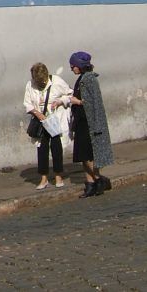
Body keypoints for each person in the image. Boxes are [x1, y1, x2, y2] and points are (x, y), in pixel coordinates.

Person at [55, 51, 114, 198]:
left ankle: (98, 180)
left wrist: (77, 101)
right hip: (81, 121)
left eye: (73, 65)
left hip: (89, 122)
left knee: (88, 155)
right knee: (83, 155)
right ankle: (90, 184)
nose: (71, 68)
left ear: (80, 65)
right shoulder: (82, 78)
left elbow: (94, 102)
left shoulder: (89, 79)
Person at [23, 62, 72, 190]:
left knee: (57, 148)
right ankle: (43, 178)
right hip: (40, 121)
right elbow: (27, 104)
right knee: (42, 149)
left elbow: (70, 94)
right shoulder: (30, 85)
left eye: (42, 81)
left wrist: (60, 101)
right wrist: (36, 112)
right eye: (38, 82)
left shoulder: (56, 81)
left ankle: (58, 176)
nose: (40, 84)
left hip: (55, 120)